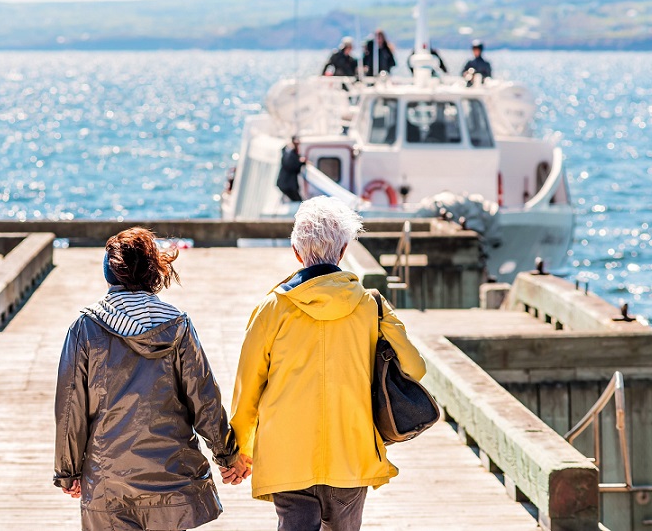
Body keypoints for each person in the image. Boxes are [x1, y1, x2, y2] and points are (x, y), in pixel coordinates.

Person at [225, 196, 427, 531]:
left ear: (296, 251)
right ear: (344, 249)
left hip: (287, 457)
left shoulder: (272, 308)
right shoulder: (370, 305)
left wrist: (240, 451)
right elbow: (414, 368)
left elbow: (247, 388)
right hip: (352, 452)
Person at [54, 227, 249, 531]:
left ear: (110, 273)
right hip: (172, 478)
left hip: (109, 483)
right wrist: (228, 456)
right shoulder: (177, 325)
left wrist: (68, 471)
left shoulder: (85, 328)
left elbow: (70, 409)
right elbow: (204, 399)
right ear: (153, 273)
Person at [276, 136, 306, 202]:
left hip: (287, 184)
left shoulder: (291, 152)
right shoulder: (289, 152)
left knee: (298, 201)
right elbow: (290, 165)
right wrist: (300, 162)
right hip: (288, 184)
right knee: (299, 202)